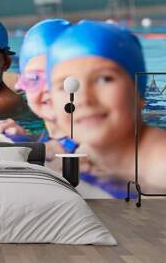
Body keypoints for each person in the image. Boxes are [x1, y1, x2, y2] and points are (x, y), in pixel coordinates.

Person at [47, 20, 166, 192]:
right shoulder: (84, 153)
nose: (84, 99)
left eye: (104, 79)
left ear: (139, 91)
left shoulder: (160, 166)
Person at [0, 19, 78, 161]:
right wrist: (28, 137)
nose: (47, 88)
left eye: (61, 77)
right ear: (23, 83)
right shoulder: (46, 138)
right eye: (35, 78)